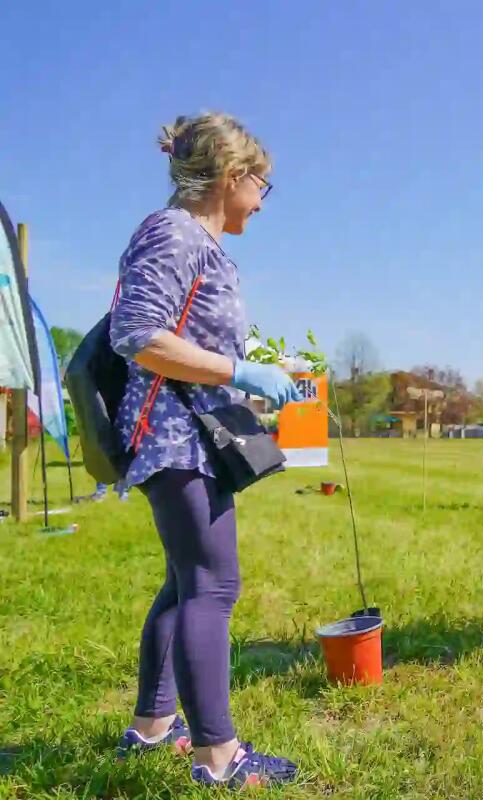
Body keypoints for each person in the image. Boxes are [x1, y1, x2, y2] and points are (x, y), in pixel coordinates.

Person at [109, 113, 301, 788]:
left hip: (192, 433)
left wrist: (249, 366)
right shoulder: (173, 231)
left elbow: (190, 336)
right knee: (213, 587)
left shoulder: (203, 244)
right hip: (173, 435)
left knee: (184, 583)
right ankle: (219, 757)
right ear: (234, 177)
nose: (263, 200)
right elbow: (137, 333)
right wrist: (237, 373)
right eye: (263, 185)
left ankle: (153, 726)